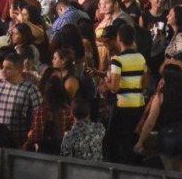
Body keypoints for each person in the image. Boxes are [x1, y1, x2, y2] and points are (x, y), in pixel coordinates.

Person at [105, 22, 148, 164]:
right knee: (131, 139)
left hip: (122, 105)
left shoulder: (117, 60)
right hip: (138, 104)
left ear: (119, 38)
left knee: (116, 140)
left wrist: (107, 80)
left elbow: (114, 87)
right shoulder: (141, 58)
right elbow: (145, 83)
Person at [61, 96, 106, 160]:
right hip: (98, 169)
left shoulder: (69, 137)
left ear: (71, 114)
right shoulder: (100, 128)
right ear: (89, 113)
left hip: (78, 169)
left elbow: (66, 162)